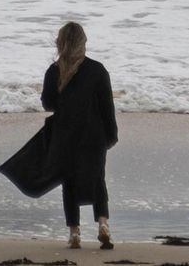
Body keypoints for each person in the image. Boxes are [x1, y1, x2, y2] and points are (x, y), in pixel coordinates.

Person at [41, 22, 118, 250]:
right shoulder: (98, 70)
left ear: (60, 42)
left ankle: (74, 233)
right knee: (98, 178)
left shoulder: (54, 70)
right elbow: (107, 107)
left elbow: (48, 104)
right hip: (94, 134)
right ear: (83, 42)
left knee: (69, 180)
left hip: (65, 134)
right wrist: (111, 135)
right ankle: (103, 224)